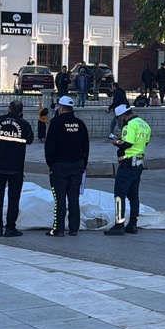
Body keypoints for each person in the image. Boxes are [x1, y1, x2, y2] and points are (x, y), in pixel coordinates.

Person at [0, 101, 34, 237]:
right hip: (16, 168)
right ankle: (10, 228)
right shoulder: (24, 124)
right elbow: (30, 139)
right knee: (13, 198)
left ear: (8, 108)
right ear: (21, 111)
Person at [44, 96, 90, 236]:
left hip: (60, 165)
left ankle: (58, 229)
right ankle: (74, 228)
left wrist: (51, 164)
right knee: (73, 197)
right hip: (77, 165)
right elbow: (86, 147)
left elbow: (49, 146)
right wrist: (83, 165)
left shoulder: (56, 123)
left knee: (60, 198)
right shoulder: (80, 124)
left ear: (61, 108)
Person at [105, 104, 151, 235]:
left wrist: (116, 142)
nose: (120, 121)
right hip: (138, 163)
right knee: (133, 196)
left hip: (127, 164)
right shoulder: (143, 124)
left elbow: (127, 144)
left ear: (123, 116)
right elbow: (144, 142)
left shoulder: (129, 125)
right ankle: (132, 224)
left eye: (120, 118)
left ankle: (119, 225)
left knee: (119, 195)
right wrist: (122, 139)